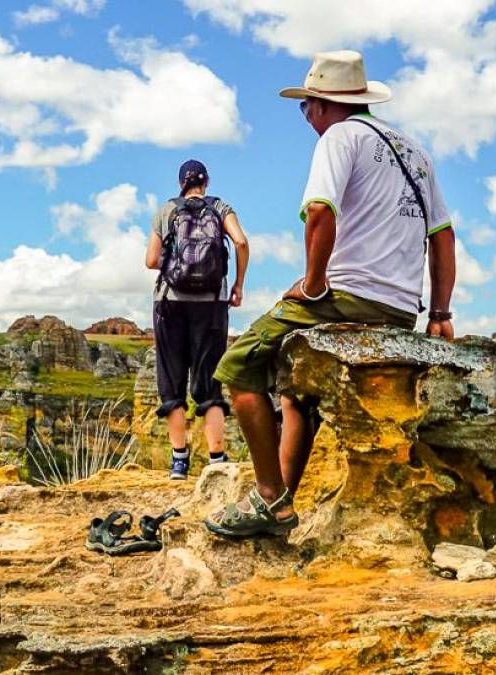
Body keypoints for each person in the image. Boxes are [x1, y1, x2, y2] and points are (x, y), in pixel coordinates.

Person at [205, 50, 457, 538]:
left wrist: (314, 282)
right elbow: (442, 235)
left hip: (347, 293)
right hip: (401, 308)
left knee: (237, 367)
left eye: (306, 107)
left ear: (322, 105)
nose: (306, 118)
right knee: (294, 393)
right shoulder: (415, 152)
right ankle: (280, 502)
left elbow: (320, 211)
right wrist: (440, 311)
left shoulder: (340, 138)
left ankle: (268, 499)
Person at [145, 159, 250, 480]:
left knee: (171, 381)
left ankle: (179, 462)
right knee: (209, 384)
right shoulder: (220, 207)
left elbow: (150, 261)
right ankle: (216, 459)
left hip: (170, 303)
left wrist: (174, 262)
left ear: (181, 183)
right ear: (206, 182)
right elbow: (242, 242)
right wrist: (237, 285)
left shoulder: (167, 210)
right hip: (212, 305)